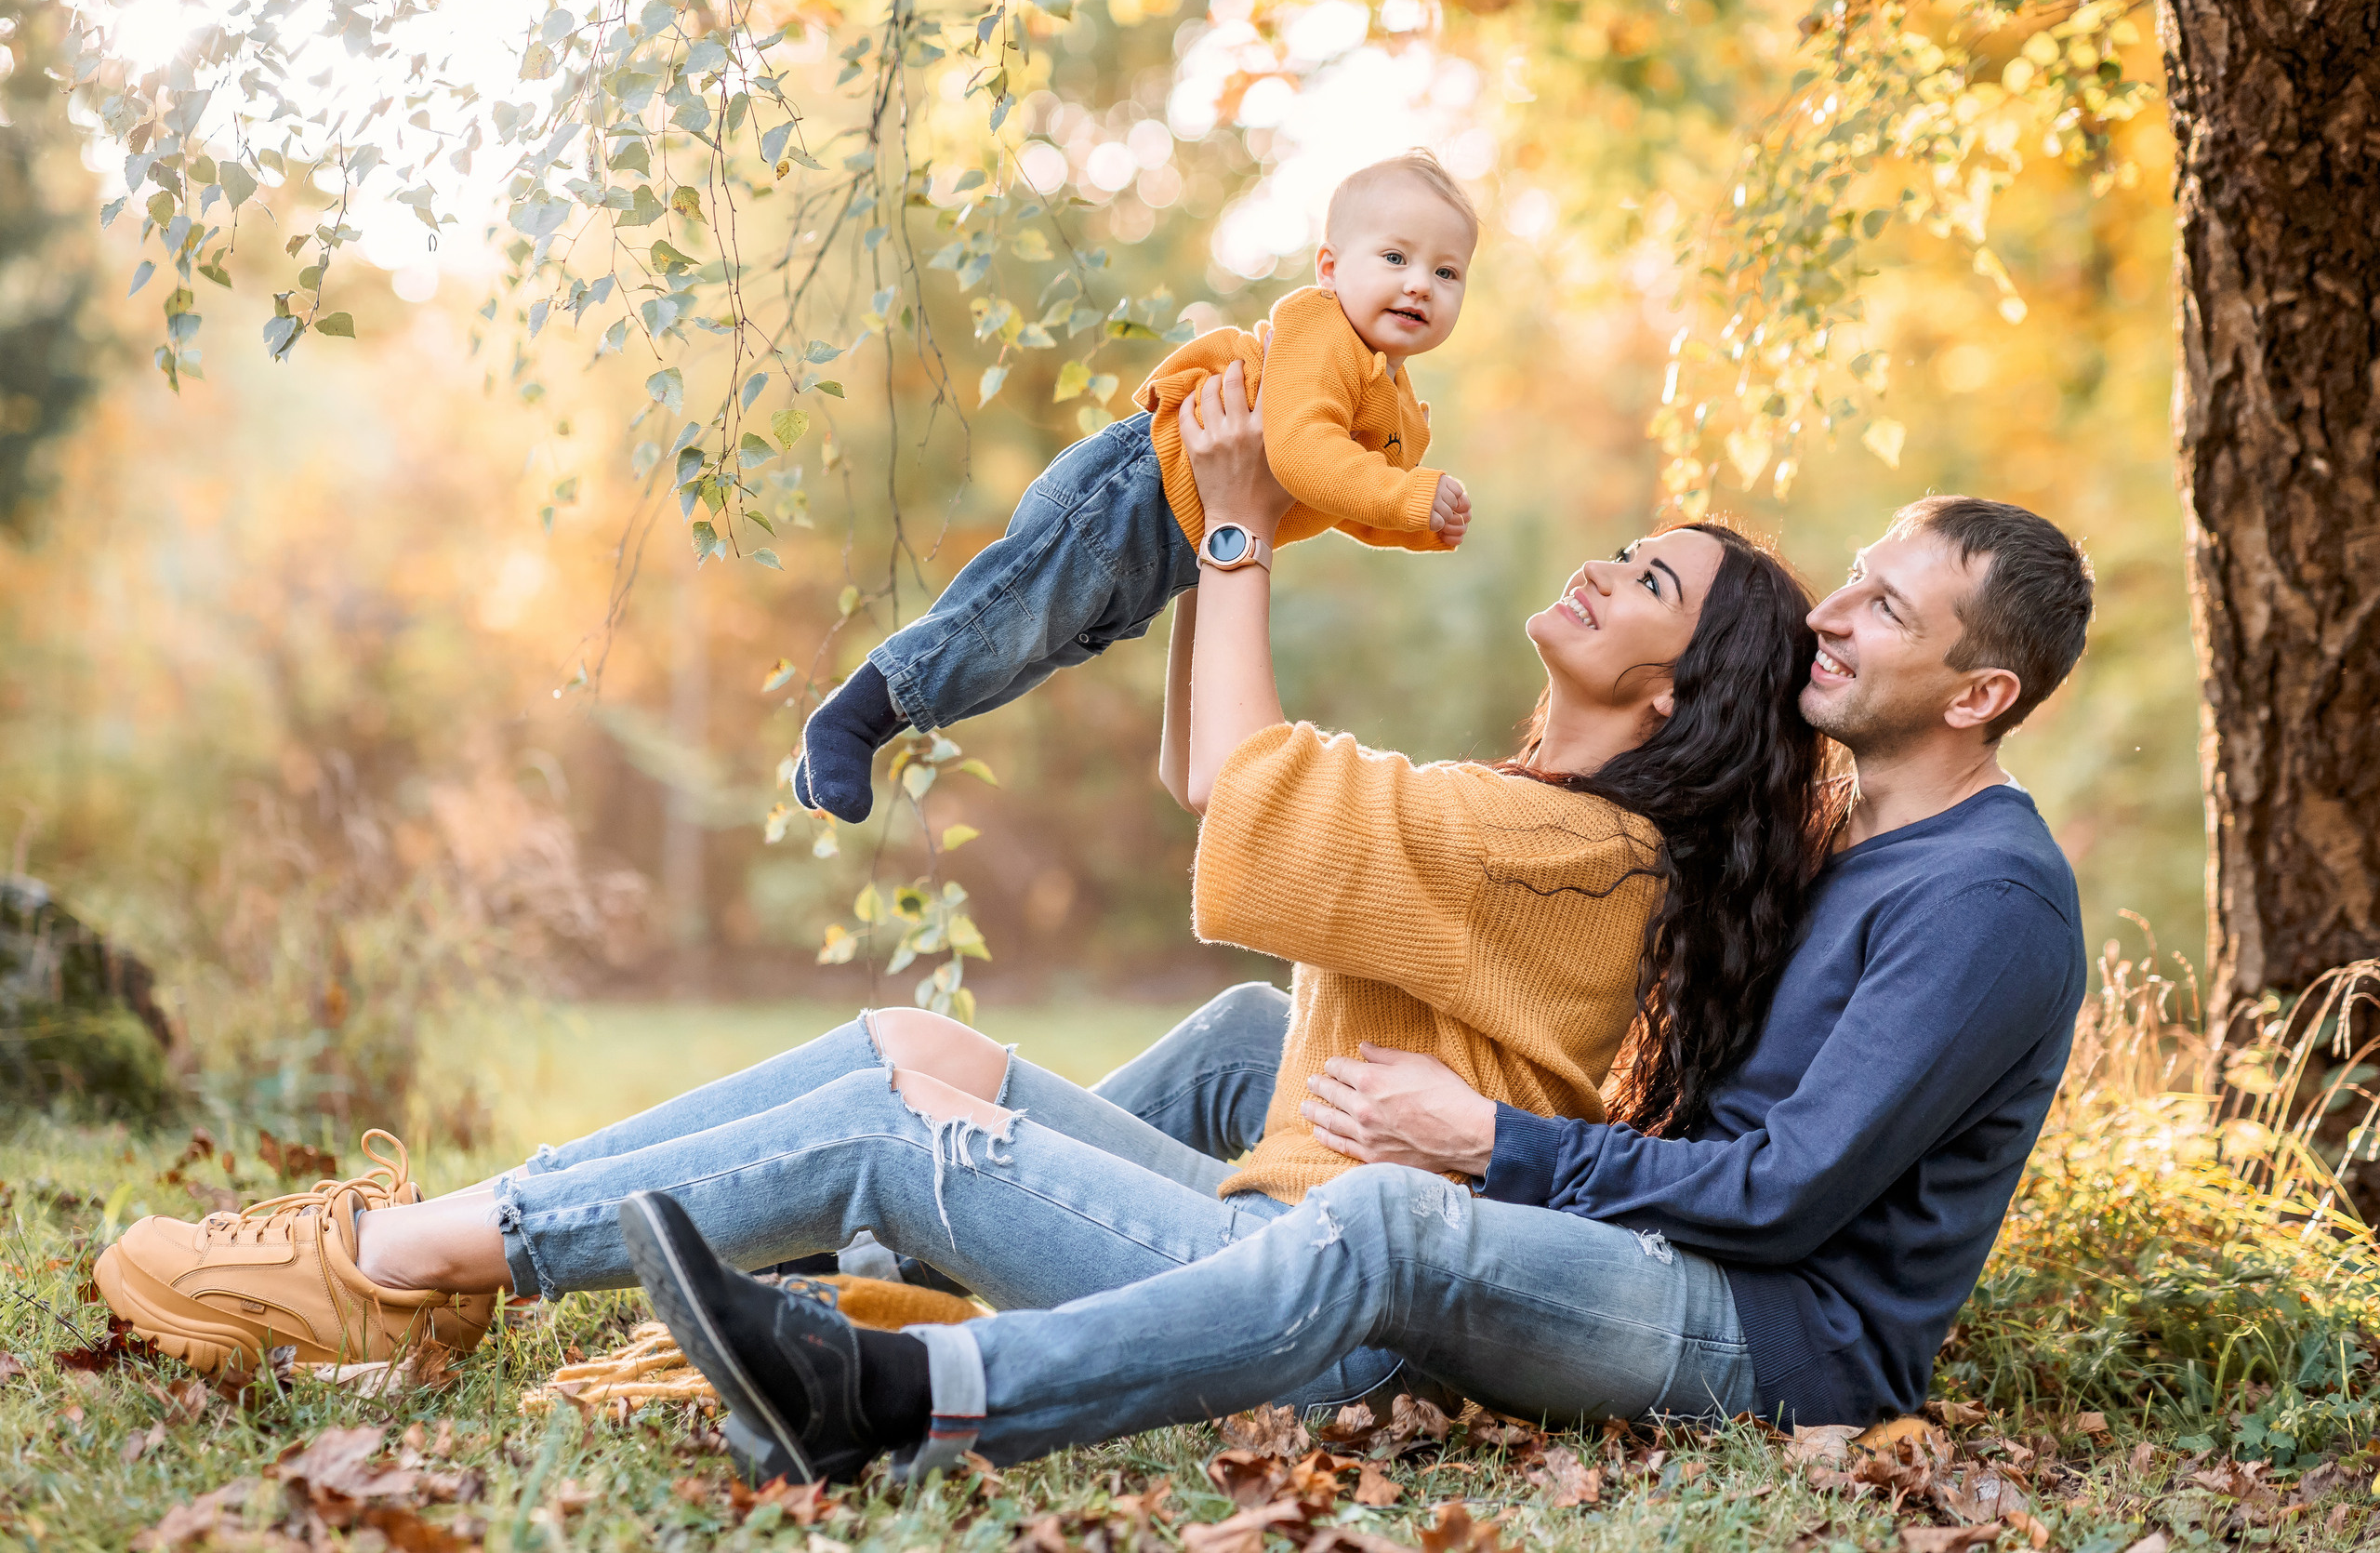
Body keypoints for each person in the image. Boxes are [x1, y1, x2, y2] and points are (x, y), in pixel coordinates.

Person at [90, 367, 1827, 1480]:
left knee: (893, 1126)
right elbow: (1223, 781)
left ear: (1680, 687)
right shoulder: (1550, 821)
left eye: (1648, 582)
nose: (1603, 567)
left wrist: (1237, 533)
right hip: (1265, 1232)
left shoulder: (1580, 853)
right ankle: (467, 1244)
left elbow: (1249, 791)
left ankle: (391, 1271)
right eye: (1622, 546)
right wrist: (1195, 543)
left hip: (1304, 1315)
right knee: (915, 1048)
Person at [618, 384, 2096, 1480]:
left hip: (1777, 1334)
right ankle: (894, 1267)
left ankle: (902, 1386)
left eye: (1886, 611)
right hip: (1662, 1251)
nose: (1834, 618)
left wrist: (1489, 1145)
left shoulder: (1986, 902)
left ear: (1978, 695)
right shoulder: (1853, 841)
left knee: (1387, 1212)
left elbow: (1780, 1197)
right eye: (1851, 580)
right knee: (1257, 1039)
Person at [792, 150, 1480, 823]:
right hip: (1132, 492)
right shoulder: (1320, 332)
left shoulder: (1394, 400)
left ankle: (868, 733)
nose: (1419, 283)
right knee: (1002, 620)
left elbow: (1340, 497)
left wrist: (1415, 524)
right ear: (1330, 269)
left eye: (1445, 271)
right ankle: (848, 723)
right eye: (1396, 258)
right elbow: (1305, 456)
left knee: (1016, 658)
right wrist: (1409, 498)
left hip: (1169, 552)